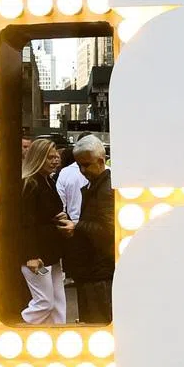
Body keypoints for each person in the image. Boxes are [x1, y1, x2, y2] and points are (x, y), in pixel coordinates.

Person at [20, 139, 74, 325]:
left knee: (58, 302)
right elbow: (25, 223)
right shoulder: (30, 184)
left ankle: (57, 335)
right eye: (50, 157)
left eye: (56, 156)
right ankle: (20, 325)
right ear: (38, 158)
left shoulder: (47, 181)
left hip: (51, 252)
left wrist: (58, 217)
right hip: (39, 254)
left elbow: (41, 215)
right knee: (45, 302)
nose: (55, 160)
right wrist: (31, 255)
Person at [63, 136, 115, 324]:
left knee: (96, 321)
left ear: (101, 161)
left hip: (98, 271)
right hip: (94, 270)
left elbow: (108, 229)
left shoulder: (105, 190)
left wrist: (77, 225)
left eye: (86, 165)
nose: (83, 171)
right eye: (80, 166)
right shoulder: (100, 186)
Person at [56, 148, 91, 224]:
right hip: (95, 224)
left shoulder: (65, 172)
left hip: (72, 222)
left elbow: (61, 201)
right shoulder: (108, 171)